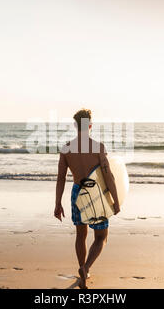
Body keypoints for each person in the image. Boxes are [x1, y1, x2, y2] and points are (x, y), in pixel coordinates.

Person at [54, 108, 120, 289]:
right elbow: (109, 176)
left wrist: (57, 203)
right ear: (90, 125)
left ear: (75, 125)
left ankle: (82, 268)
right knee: (101, 237)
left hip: (77, 192)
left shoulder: (66, 149)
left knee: (80, 235)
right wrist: (116, 200)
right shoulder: (98, 148)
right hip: (96, 194)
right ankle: (86, 267)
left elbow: (61, 178)